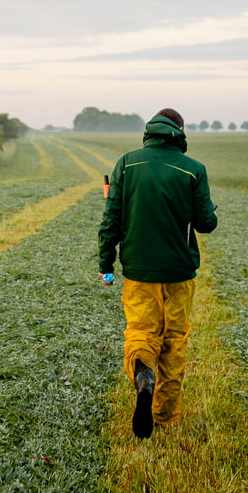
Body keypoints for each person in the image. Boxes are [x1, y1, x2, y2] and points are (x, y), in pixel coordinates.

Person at [98, 108, 218, 439]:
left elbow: (111, 220)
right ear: (179, 131)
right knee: (173, 341)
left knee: (141, 332)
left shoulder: (126, 164)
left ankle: (143, 378)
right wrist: (209, 212)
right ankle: (165, 416)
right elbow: (206, 223)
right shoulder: (193, 170)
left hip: (138, 273)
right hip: (180, 273)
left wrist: (105, 265)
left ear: (150, 130)